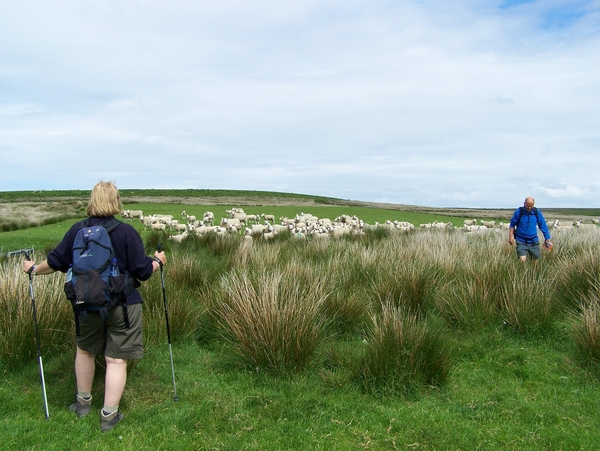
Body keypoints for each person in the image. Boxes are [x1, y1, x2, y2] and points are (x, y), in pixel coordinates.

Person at [22, 181, 166, 432]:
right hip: (122, 306)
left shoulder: (78, 230)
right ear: (116, 202)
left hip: (85, 303)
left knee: (85, 351)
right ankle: (109, 416)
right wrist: (158, 261)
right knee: (116, 360)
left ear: (92, 200)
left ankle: (82, 404)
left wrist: (34, 269)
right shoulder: (125, 232)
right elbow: (142, 271)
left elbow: (55, 262)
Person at [508, 196, 551, 262]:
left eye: (531, 206)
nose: (529, 208)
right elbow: (512, 224)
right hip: (521, 240)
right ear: (524, 204)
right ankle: (522, 272)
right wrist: (511, 236)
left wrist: (547, 238)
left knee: (536, 262)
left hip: (533, 241)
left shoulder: (537, 212)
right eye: (528, 206)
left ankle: (534, 272)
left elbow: (543, 225)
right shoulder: (519, 211)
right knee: (522, 260)